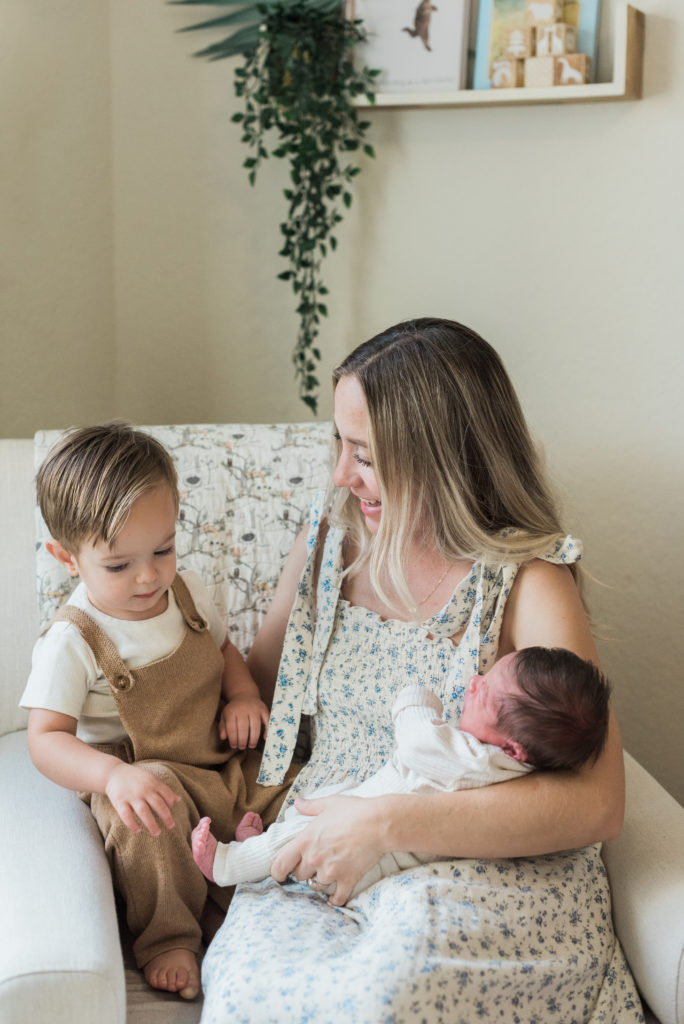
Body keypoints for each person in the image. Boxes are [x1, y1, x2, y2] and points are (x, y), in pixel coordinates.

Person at [200, 317, 644, 1023]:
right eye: (339, 446)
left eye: (366, 455)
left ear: (444, 458)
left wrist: (383, 825)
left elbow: (597, 804)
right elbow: (253, 691)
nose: (343, 474)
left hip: (475, 873)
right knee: (248, 991)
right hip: (322, 861)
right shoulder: (329, 540)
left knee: (390, 992)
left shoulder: (525, 580)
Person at [20, 423, 299, 1001]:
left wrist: (243, 695)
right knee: (149, 816)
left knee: (291, 774)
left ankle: (244, 879)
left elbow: (221, 649)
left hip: (217, 759)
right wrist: (111, 776)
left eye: (163, 550)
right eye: (119, 566)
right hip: (144, 776)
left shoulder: (188, 591)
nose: (148, 576)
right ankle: (171, 934)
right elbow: (45, 737)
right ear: (66, 557)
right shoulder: (73, 639)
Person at [192, 646, 611, 899]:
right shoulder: (511, 767)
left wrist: (418, 699)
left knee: (303, 830)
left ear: (514, 746)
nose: (473, 682)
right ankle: (261, 845)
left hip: (367, 862)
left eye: (484, 693)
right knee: (333, 797)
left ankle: (228, 864)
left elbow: (415, 738)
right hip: (383, 836)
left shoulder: (469, 756)